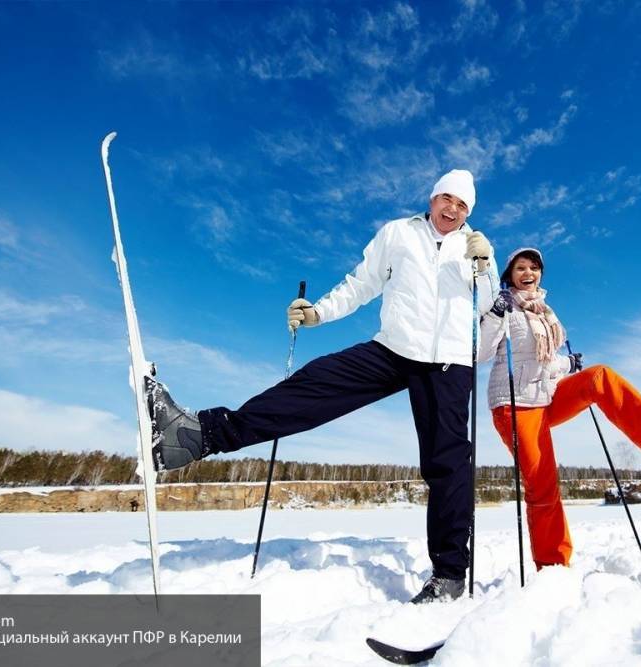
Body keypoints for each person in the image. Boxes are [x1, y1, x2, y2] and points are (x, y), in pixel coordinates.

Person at [146, 169, 499, 603]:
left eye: (463, 205)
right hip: (394, 346)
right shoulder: (397, 234)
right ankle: (198, 435)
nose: (453, 209)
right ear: (432, 199)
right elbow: (361, 284)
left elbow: (488, 299)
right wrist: (318, 314)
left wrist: (484, 265)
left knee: (446, 462)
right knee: (314, 384)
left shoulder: (475, 245)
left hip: (448, 360)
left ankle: (448, 574)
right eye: (447, 198)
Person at [478, 248, 641, 570]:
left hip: (545, 397)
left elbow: (542, 363)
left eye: (534, 267)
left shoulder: (545, 313)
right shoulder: (504, 308)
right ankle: (552, 565)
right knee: (543, 484)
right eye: (521, 268)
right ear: (510, 275)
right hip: (515, 406)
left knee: (599, 378)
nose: (528, 272)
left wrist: (567, 364)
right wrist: (493, 314)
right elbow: (481, 352)